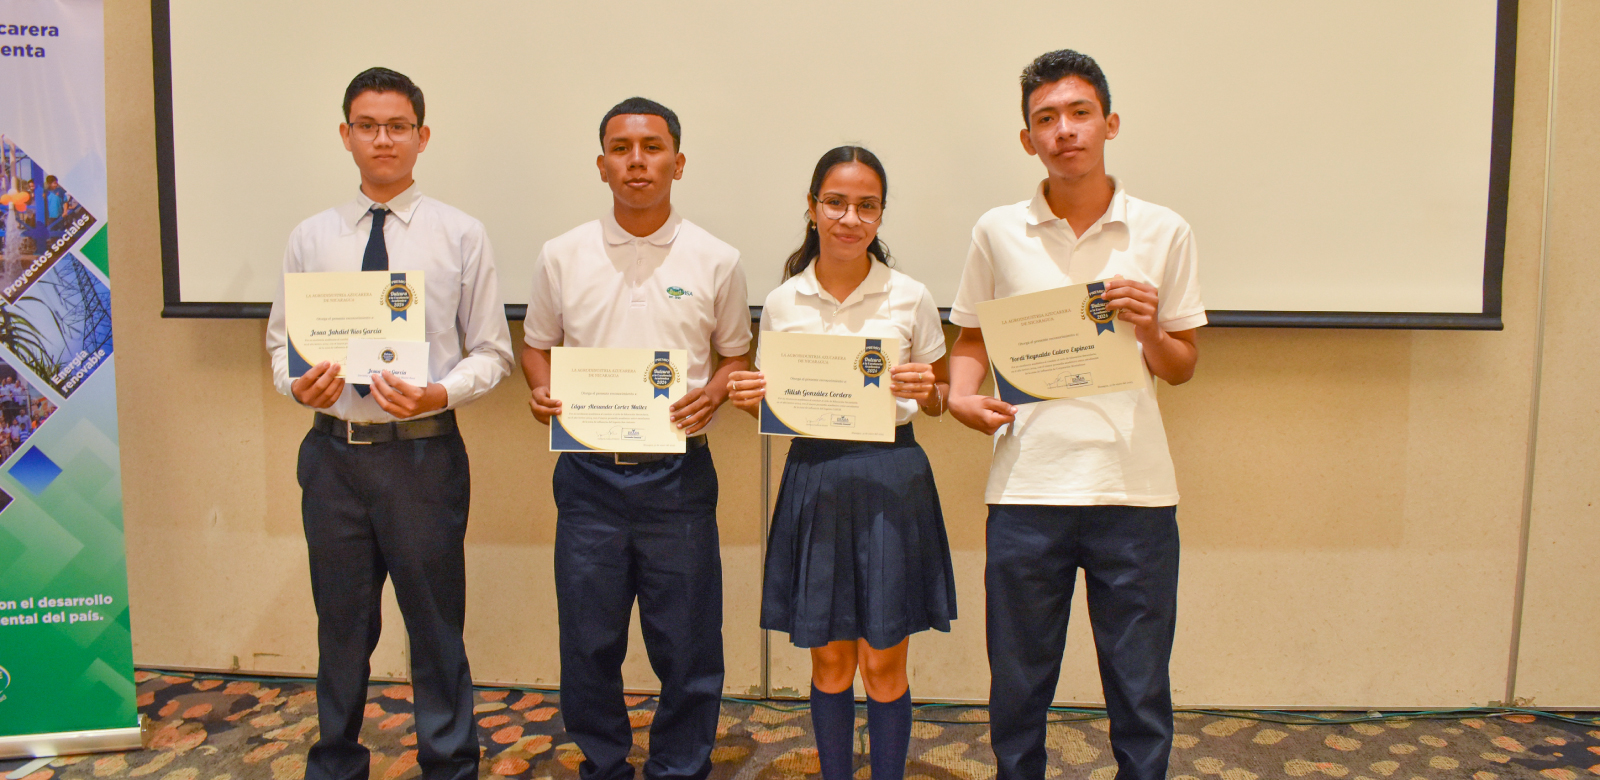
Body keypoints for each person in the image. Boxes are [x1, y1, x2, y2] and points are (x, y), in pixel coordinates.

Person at [946, 49, 1206, 780]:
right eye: (1046, 118)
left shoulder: (1163, 230)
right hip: (1027, 490)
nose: (1065, 130)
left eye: (1080, 113)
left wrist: (1150, 328)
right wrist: (962, 397)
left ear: (1109, 124)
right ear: (1027, 138)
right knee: (1018, 680)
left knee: (1139, 683)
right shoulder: (998, 230)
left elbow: (1182, 366)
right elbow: (971, 339)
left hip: (1134, 492)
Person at [264, 66, 514, 780]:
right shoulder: (311, 237)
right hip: (333, 457)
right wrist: (296, 385)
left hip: (423, 459)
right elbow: (281, 345)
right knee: (341, 627)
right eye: (368, 126)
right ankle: (336, 762)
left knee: (435, 625)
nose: (383, 139)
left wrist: (439, 394)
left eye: (398, 126)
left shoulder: (460, 234)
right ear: (345, 135)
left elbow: (494, 352)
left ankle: (449, 763)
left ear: (422, 137)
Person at [521, 97, 751, 780]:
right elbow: (536, 346)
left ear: (678, 163)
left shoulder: (717, 258)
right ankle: (603, 763)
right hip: (588, 478)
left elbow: (735, 355)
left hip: (678, 477)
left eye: (652, 147)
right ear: (602, 166)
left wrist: (715, 393)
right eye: (621, 149)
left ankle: (680, 766)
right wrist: (541, 390)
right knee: (588, 639)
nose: (637, 161)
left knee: (687, 640)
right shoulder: (562, 254)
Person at [726, 146, 956, 780]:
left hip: (891, 478)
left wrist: (928, 390)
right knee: (829, 661)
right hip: (816, 478)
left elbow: (939, 397)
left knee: (883, 661)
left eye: (866, 206)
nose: (850, 218)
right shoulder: (783, 302)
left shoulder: (910, 296)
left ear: (880, 215)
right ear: (812, 207)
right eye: (835, 203)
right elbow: (776, 406)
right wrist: (750, 402)